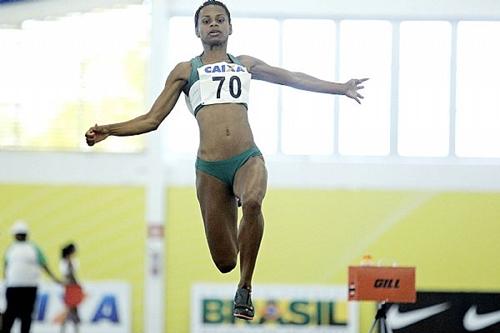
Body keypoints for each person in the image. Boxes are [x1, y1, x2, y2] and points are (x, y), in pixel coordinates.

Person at [85, 0, 367, 320]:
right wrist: (110, 129)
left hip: (247, 158)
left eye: (220, 19)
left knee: (254, 202)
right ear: (197, 30)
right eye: (206, 21)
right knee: (225, 262)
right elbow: (152, 120)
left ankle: (244, 288)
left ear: (231, 28)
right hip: (210, 171)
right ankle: (236, 251)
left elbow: (291, 77)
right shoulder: (185, 71)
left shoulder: (244, 64)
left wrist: (340, 87)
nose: (214, 24)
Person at [2, 220, 61, 333]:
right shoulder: (34, 249)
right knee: (26, 315)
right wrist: (55, 279)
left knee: (10, 314)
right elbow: (44, 266)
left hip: (13, 286)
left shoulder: (10, 249)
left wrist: (7, 280)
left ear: (15, 235)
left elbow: (5, 269)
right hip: (30, 287)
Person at [59, 243, 83, 333]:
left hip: (74, 287)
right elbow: (66, 275)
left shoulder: (74, 261)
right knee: (68, 310)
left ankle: (75, 330)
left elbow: (74, 274)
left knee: (74, 311)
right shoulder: (64, 262)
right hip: (69, 288)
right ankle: (63, 330)